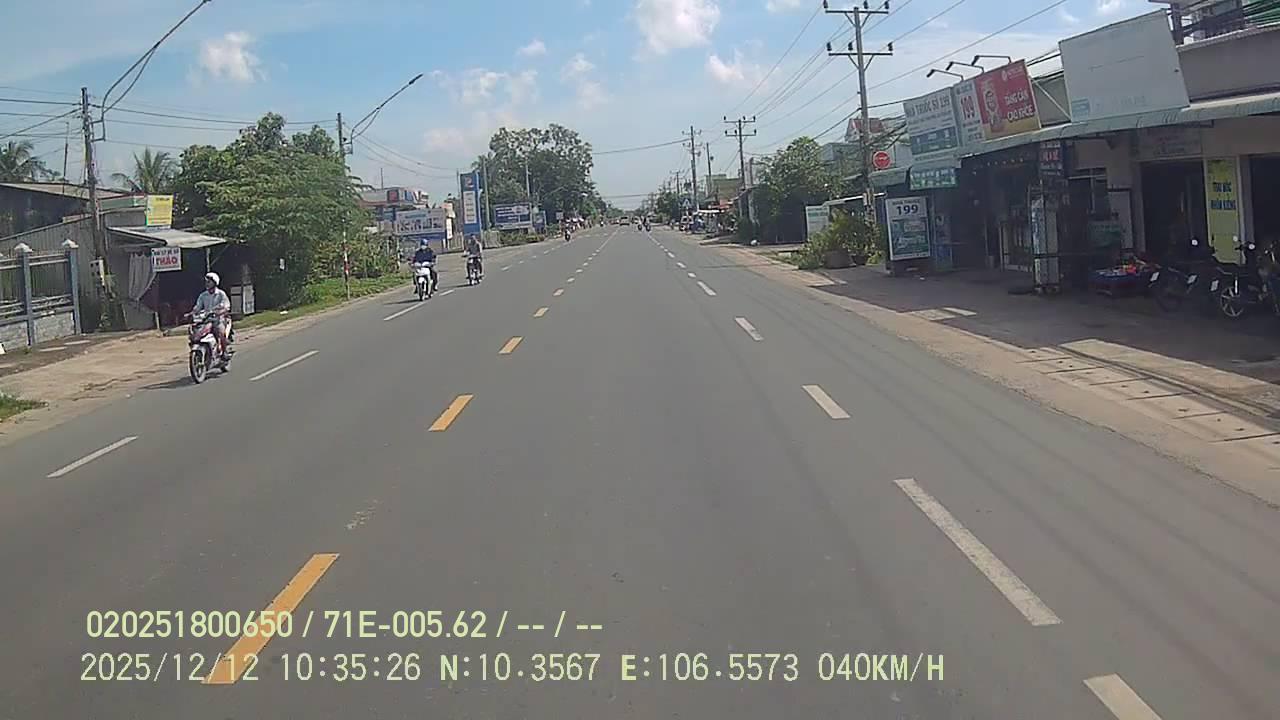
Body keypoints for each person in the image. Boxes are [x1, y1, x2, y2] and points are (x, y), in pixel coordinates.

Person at [192, 272, 232, 357]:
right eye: (206, 282)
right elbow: (198, 307)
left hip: (219, 320)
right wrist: (193, 312)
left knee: (221, 332)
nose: (207, 284)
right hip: (207, 320)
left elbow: (226, 306)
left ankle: (224, 352)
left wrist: (220, 312)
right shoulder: (203, 295)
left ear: (215, 282)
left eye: (209, 282)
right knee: (197, 332)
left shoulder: (221, 294)